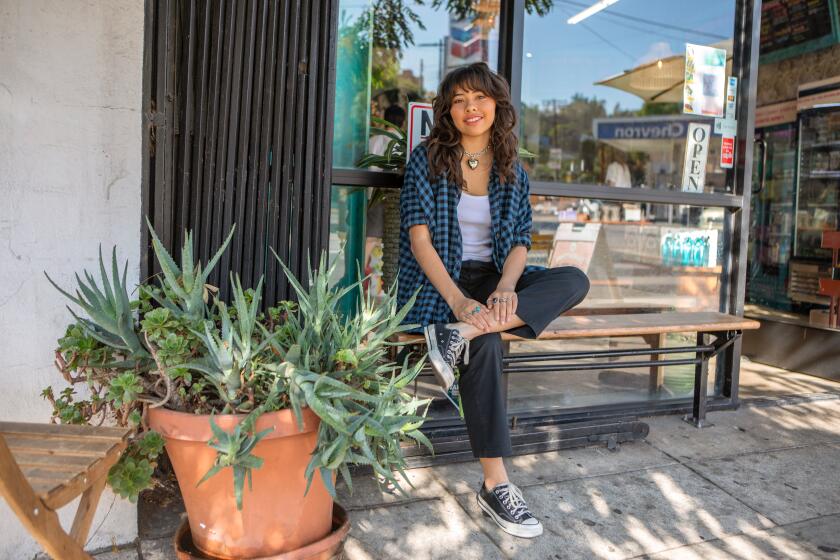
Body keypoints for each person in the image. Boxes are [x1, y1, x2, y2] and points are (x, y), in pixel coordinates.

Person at [397, 62, 590, 539]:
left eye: (480, 97)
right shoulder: (427, 160)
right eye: (460, 99)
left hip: (492, 279)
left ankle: (459, 335)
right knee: (484, 345)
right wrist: (461, 303)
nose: (470, 107)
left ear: (497, 105)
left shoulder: (511, 170)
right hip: (440, 282)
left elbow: (520, 241)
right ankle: (496, 483)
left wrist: (506, 288)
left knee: (573, 279)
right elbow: (420, 240)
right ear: (448, 109)